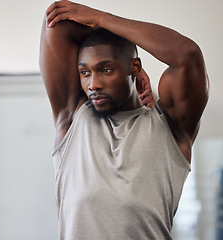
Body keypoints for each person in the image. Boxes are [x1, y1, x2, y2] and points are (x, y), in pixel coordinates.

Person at [39, 0, 209, 239]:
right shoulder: (72, 118)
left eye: (106, 69)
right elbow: (56, 23)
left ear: (134, 67)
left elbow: (186, 54)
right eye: (84, 72)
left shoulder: (169, 127)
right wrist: (122, 60)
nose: (93, 84)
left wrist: (102, 18)